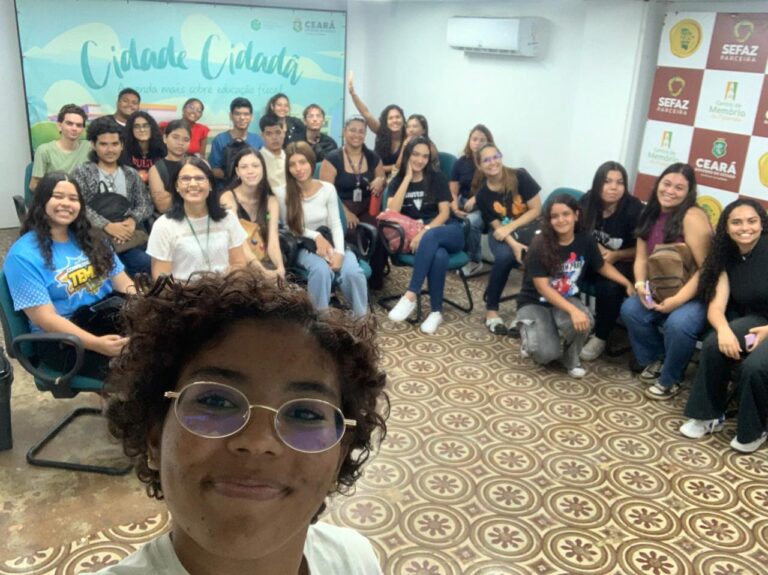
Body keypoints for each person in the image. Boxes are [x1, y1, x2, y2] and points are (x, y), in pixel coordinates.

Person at [96, 269, 387, 574]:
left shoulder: (353, 560)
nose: (258, 443)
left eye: (305, 414)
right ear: (154, 437)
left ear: (339, 458)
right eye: (216, 401)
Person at [3, 173, 134, 378]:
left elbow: (123, 283)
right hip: (63, 341)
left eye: (73, 199)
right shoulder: (22, 256)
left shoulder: (92, 238)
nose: (66, 203)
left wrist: (148, 307)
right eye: (57, 196)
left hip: (105, 317)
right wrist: (96, 344)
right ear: (42, 201)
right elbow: (46, 319)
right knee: (142, 371)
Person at [680, 199, 768, 453]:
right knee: (713, 344)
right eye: (737, 222)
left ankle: (755, 429)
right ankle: (707, 415)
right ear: (726, 227)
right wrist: (725, 330)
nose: (745, 228)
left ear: (762, 223)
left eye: (752, 221)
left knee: (755, 366)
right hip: (757, 320)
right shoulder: (725, 256)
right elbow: (716, 307)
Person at [516, 194, 634, 378]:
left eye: (566, 214)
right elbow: (543, 288)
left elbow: (601, 266)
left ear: (576, 215)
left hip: (565, 297)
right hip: (535, 302)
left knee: (585, 322)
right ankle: (528, 334)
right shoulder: (539, 244)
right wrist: (573, 311)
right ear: (549, 220)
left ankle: (571, 359)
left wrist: (626, 283)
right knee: (547, 355)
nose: (561, 220)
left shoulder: (585, 240)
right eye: (555, 216)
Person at [620, 163, 712, 399]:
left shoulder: (693, 217)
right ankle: (657, 359)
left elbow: (706, 270)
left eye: (679, 188)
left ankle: (671, 379)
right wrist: (640, 285)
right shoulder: (649, 212)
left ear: (689, 192)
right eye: (667, 184)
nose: (671, 191)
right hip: (660, 286)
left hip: (695, 294)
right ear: (658, 184)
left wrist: (677, 300)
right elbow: (641, 258)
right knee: (631, 309)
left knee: (678, 324)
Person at [274, 142, 368, 317]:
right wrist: (315, 236)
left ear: (311, 162)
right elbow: (289, 227)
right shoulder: (282, 193)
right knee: (321, 271)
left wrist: (339, 252)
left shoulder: (327, 189)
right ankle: (320, 320)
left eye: (302, 162)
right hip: (301, 243)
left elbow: (335, 224)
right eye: (292, 165)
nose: (298, 168)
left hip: (331, 240)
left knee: (353, 272)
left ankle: (361, 318)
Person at [385, 136, 464, 334]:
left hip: (448, 231)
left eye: (425, 156)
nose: (420, 160)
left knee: (431, 239)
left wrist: (425, 232)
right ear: (408, 155)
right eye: (416, 155)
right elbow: (393, 211)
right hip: (421, 238)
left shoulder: (437, 178)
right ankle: (436, 312)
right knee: (439, 256)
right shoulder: (397, 181)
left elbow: (445, 214)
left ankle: (411, 294)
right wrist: (406, 179)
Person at [578, 161, 643, 360]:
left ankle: (601, 336)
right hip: (591, 257)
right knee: (564, 269)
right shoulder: (587, 200)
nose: (614, 187)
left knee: (610, 287)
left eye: (620, 182)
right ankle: (568, 320)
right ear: (598, 184)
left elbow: (642, 251)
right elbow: (577, 234)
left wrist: (616, 255)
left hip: (622, 261)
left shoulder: (634, 209)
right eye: (607, 182)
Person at [72, 117, 153, 276]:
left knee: (147, 265)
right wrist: (107, 226)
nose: (110, 150)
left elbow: (144, 205)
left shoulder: (130, 174)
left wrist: (131, 221)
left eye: (115, 144)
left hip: (127, 239)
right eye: (103, 144)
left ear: (122, 145)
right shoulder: (82, 172)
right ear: (93, 145)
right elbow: (79, 206)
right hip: (93, 239)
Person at [474, 144, 542, 334]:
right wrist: (514, 244)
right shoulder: (482, 195)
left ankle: (525, 311)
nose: (493, 162)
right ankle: (491, 310)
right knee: (505, 257)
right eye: (486, 160)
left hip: (530, 229)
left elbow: (537, 210)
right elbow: (497, 228)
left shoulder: (520, 176)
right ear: (479, 166)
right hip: (503, 237)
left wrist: (510, 227)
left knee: (534, 257)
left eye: (495, 156)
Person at [146, 156, 247, 280]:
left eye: (199, 178)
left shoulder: (228, 218)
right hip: (183, 296)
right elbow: (161, 279)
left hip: (225, 292)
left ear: (210, 185)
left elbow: (239, 265)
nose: (193, 184)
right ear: (176, 186)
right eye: (185, 179)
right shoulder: (164, 226)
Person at [319, 117, 387, 290]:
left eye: (361, 131)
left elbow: (383, 178)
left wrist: (380, 180)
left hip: (366, 206)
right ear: (344, 132)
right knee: (351, 232)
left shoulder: (373, 157)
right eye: (352, 130)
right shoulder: (332, 158)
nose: (357, 134)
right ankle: (351, 277)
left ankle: (374, 281)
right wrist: (345, 213)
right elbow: (327, 192)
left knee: (379, 232)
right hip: (340, 206)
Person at [220, 147, 286, 280]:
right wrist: (261, 270)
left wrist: (280, 268)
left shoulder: (271, 201)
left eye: (255, 166)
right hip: (237, 264)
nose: (250, 171)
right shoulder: (228, 198)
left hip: (262, 259)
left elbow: (273, 241)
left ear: (263, 169)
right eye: (244, 167)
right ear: (237, 171)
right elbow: (238, 241)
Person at [449, 124, 494, 276]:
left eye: (482, 140)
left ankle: (474, 260)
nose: (477, 143)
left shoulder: (492, 162)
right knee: (443, 214)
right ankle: (454, 255)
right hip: (462, 202)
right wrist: (455, 208)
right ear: (469, 141)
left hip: (485, 206)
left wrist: (476, 198)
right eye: (474, 139)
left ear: (489, 142)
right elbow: (453, 191)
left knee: (472, 222)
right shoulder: (461, 162)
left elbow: (494, 187)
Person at [347, 73, 405, 176]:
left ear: (403, 119)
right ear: (385, 122)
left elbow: (404, 167)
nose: (394, 120)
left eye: (397, 117)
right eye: (390, 118)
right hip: (377, 176)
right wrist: (353, 93)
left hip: (398, 178)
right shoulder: (381, 131)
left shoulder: (408, 137)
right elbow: (366, 113)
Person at [30, 103, 90, 192]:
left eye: (79, 125)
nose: (74, 128)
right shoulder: (44, 150)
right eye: (69, 124)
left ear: (83, 129)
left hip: (82, 200)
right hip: (55, 199)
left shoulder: (89, 147)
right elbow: (33, 186)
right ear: (59, 126)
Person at [208, 97, 264, 188]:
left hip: (253, 190)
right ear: (231, 116)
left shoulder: (258, 140)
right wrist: (236, 176)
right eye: (237, 114)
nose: (242, 118)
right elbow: (214, 169)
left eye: (246, 114)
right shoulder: (220, 139)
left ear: (252, 117)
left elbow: (262, 167)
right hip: (225, 189)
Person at [147, 120, 191, 214]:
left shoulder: (200, 164)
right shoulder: (156, 170)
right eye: (175, 137)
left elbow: (208, 197)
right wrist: (193, 192)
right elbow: (163, 206)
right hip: (172, 220)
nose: (180, 143)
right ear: (165, 138)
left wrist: (172, 195)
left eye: (186, 139)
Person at [121, 111, 166, 183]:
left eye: (145, 126)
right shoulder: (124, 149)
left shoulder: (162, 148)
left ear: (152, 128)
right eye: (137, 127)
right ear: (131, 130)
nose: (142, 130)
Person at [259, 113, 287, 190]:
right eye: (269, 134)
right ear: (262, 136)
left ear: (284, 133)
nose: (274, 137)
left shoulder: (291, 157)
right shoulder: (257, 159)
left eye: (278, 132)